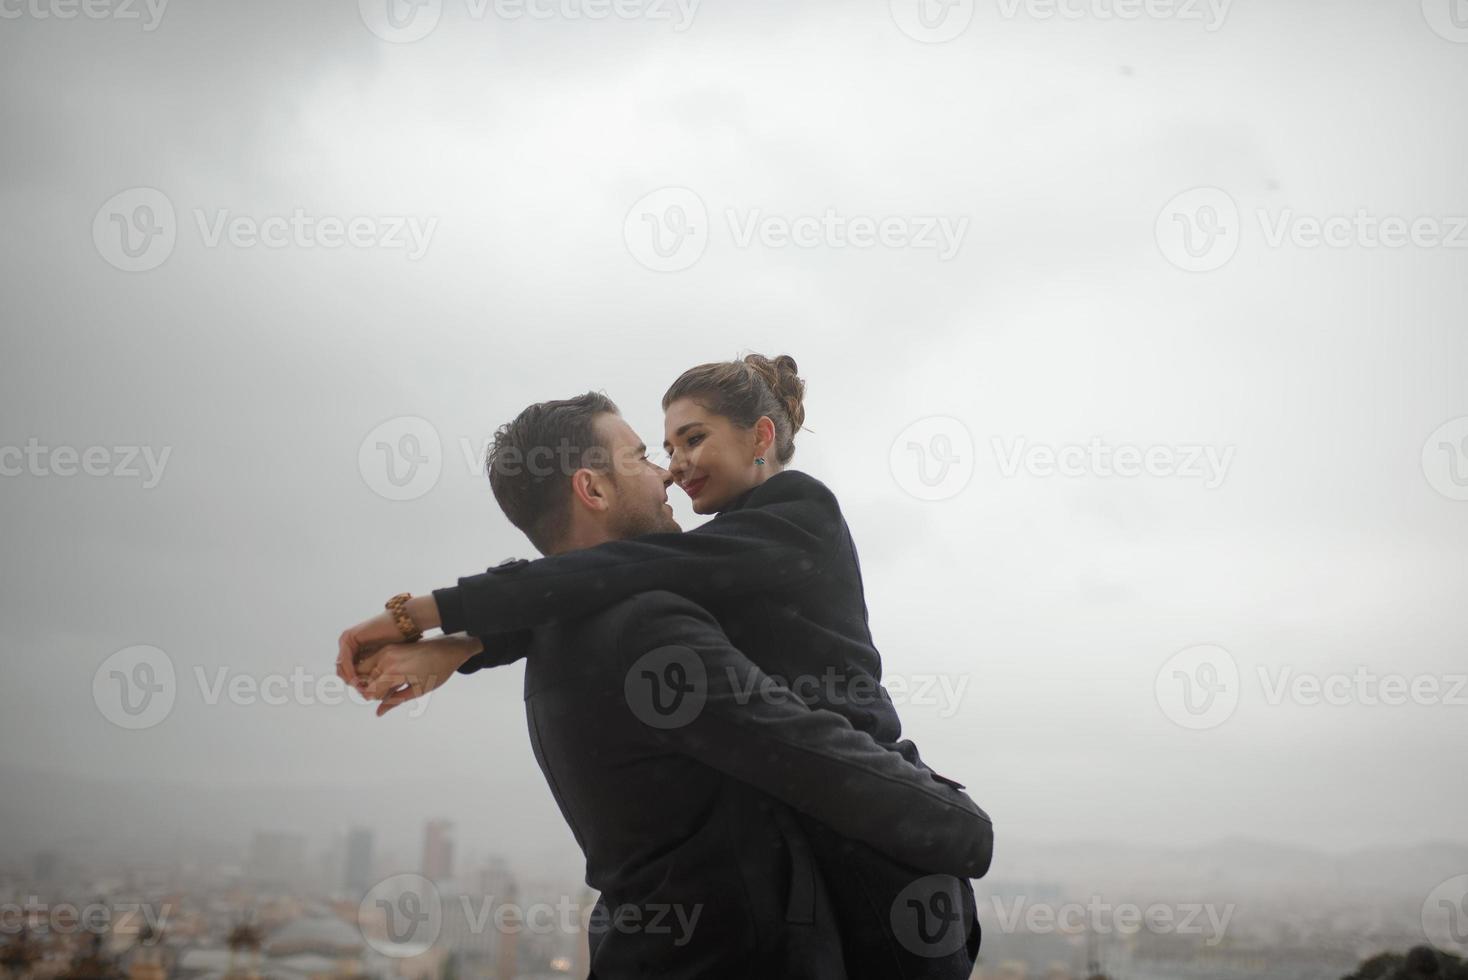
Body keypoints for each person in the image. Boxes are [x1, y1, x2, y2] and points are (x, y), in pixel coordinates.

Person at [339, 354, 992, 976]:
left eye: (687, 442)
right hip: (809, 901)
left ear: (759, 436)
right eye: (650, 453)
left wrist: (455, 632)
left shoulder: (785, 519)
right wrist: (958, 823)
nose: (670, 472)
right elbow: (802, 750)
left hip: (818, 890)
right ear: (591, 487)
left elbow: (602, 579)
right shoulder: (642, 624)